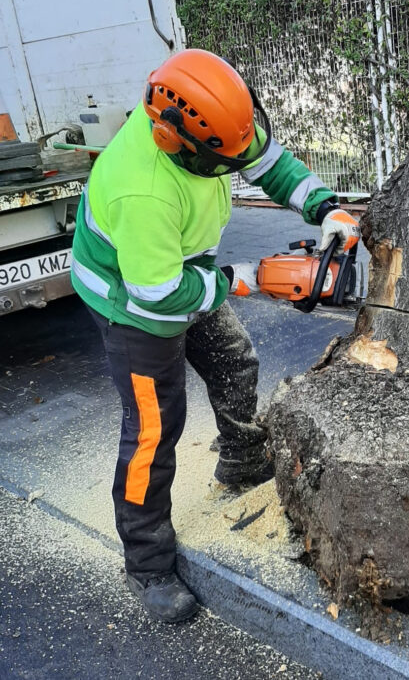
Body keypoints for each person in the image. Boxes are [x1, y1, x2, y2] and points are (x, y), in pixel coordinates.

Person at [70, 49, 360, 623]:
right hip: (131, 299)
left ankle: (242, 462)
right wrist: (246, 279)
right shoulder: (142, 188)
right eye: (221, 159)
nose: (235, 163)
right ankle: (147, 564)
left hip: (181, 268)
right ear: (174, 140)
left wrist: (325, 207)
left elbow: (265, 159)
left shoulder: (209, 120)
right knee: (155, 428)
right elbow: (158, 294)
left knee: (234, 359)